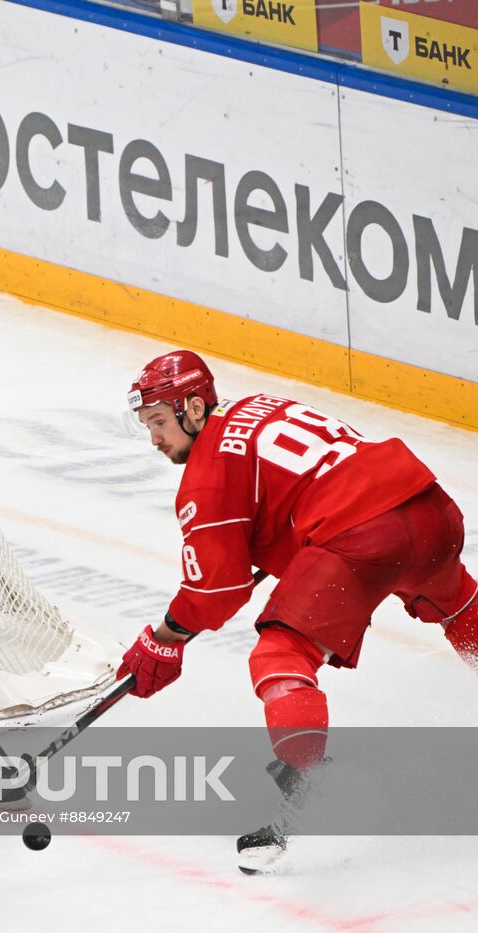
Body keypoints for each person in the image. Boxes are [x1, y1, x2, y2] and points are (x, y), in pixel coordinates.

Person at [116, 349, 478, 873]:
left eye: (157, 422)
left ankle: (309, 790)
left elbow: (217, 591)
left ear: (193, 408)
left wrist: (164, 639)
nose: (154, 439)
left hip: (361, 535)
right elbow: (296, 496)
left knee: (280, 654)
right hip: (428, 506)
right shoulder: (259, 407)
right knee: (461, 604)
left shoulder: (207, 475)